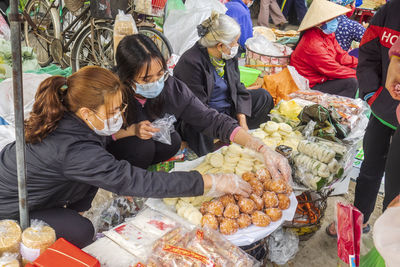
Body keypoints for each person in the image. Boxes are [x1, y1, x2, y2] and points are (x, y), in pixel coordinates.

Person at [0, 66, 255, 248]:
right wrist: (209, 181)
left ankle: (68, 211)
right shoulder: (72, 149)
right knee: (82, 232)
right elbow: (136, 181)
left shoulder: (74, 118)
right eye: (113, 110)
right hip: (10, 206)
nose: (120, 115)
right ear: (88, 113)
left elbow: (98, 171)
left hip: (36, 190)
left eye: (121, 107)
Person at [108, 33, 290, 181]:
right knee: (142, 148)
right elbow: (96, 135)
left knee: (172, 140)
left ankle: (146, 169)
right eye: (146, 79)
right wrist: (132, 130)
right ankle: (129, 181)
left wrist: (260, 148)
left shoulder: (170, 87)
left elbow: (209, 118)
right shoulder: (110, 92)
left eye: (160, 74)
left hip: (149, 135)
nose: (156, 83)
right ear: (127, 77)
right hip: (119, 141)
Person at [326, 0, 400, 237]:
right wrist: (371, 94)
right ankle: (357, 224)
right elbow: (368, 52)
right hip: (381, 109)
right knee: (369, 169)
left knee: (396, 186)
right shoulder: (390, 11)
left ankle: (387, 242)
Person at [173, 13, 274, 156]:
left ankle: (247, 139)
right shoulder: (191, 63)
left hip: (227, 109)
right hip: (205, 116)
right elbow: (197, 110)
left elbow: (239, 89)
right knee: (197, 127)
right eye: (234, 43)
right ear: (220, 45)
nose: (237, 47)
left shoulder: (227, 56)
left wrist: (242, 122)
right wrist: (228, 126)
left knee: (263, 97)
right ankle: (212, 154)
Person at [290, 0, 358, 98]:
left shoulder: (327, 34)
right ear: (320, 22)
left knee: (357, 70)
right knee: (352, 82)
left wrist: (361, 65)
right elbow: (333, 69)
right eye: (333, 19)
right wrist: (361, 75)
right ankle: (337, 110)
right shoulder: (313, 44)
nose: (336, 21)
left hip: (322, 76)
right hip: (311, 84)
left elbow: (341, 55)